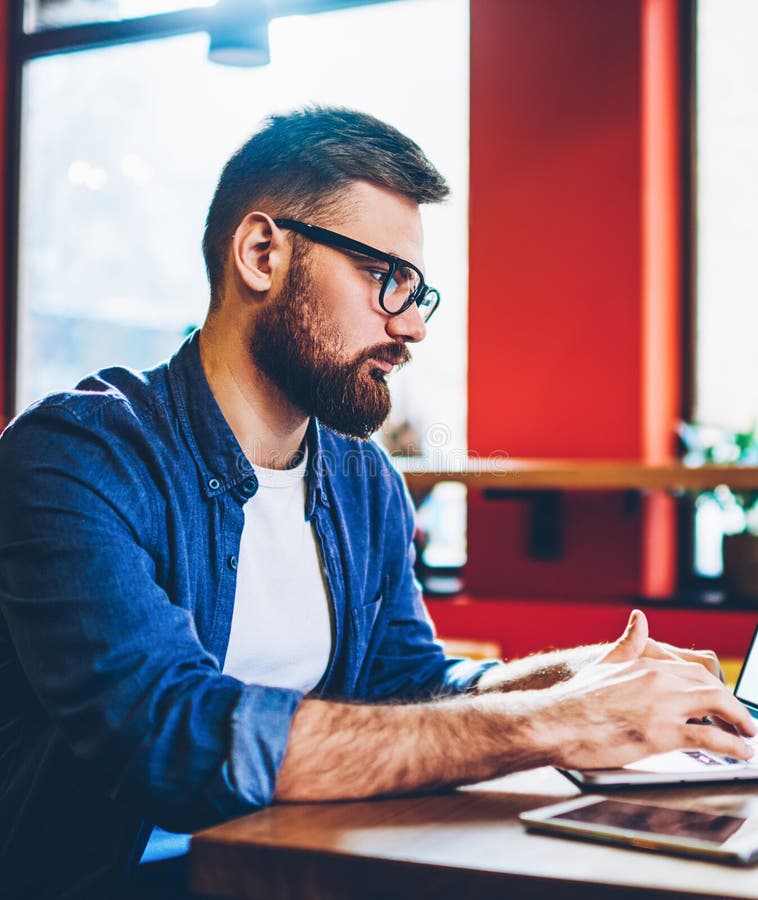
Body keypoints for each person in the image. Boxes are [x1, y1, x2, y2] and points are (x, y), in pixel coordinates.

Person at [0, 106, 754, 900]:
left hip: (308, 870)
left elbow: (406, 683)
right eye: (384, 277)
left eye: (418, 291)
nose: (412, 327)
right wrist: (558, 722)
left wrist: (574, 680)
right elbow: (174, 740)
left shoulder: (363, 480)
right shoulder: (75, 458)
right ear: (263, 253)